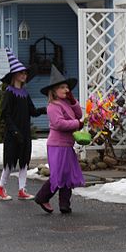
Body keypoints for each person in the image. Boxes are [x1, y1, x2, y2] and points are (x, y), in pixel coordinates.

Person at [0, 48, 47, 201]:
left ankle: (21, 189)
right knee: (10, 162)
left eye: (25, 73)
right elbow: (5, 114)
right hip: (13, 133)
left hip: (25, 132)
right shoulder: (9, 92)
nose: (24, 75)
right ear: (15, 75)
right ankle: (0, 188)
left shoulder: (25, 93)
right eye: (22, 73)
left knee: (24, 161)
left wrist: (44, 110)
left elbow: (32, 111)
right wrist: (14, 131)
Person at [34, 66, 84, 214]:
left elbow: (79, 113)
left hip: (67, 144)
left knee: (67, 174)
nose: (66, 90)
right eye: (62, 87)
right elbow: (59, 123)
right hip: (57, 145)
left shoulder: (66, 103)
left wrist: (73, 100)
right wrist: (77, 124)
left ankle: (64, 205)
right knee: (58, 174)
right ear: (54, 91)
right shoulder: (53, 106)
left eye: (67, 87)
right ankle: (42, 197)